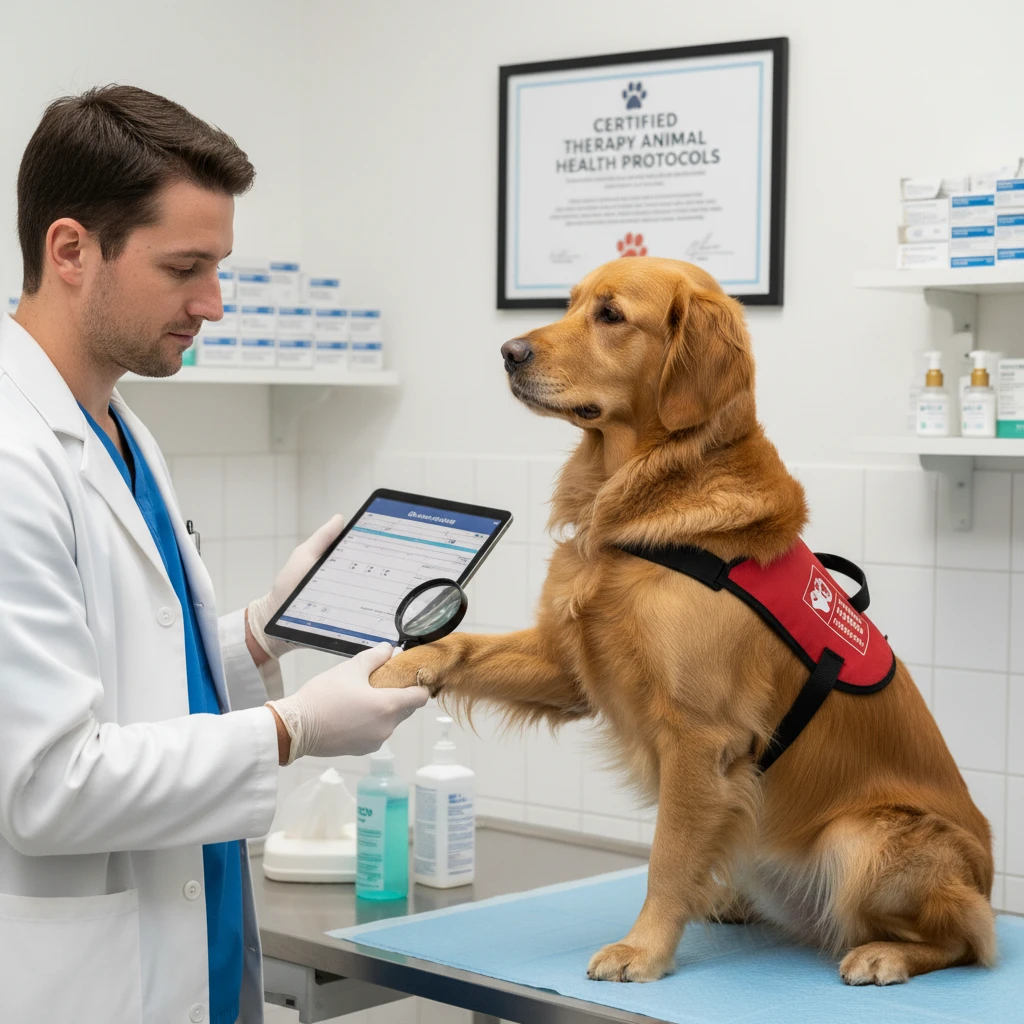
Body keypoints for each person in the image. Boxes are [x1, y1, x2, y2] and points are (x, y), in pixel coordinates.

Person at [0, 85, 428, 1024]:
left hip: (201, 956)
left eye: (219, 266)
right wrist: (295, 730)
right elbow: (45, 787)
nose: (215, 304)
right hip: (84, 983)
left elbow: (134, 685)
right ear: (70, 250)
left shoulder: (117, 428)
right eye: (185, 267)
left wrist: (257, 636)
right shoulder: (12, 458)